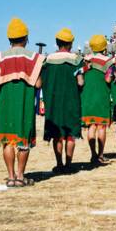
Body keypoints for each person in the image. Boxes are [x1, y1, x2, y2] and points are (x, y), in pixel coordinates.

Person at [0, 18, 44, 187]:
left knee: (7, 140)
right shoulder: (34, 58)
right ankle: (20, 176)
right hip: (24, 105)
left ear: (9, 38)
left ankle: (11, 177)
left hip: (6, 106)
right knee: (23, 141)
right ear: (26, 38)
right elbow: (39, 83)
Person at [41, 28, 83, 173]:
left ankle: (59, 164)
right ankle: (69, 164)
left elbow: (41, 82)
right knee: (70, 133)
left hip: (53, 102)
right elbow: (80, 82)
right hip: (71, 100)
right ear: (70, 43)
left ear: (57, 43)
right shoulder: (76, 60)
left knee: (57, 134)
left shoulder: (47, 60)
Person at [81, 34, 113, 164]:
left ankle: (93, 154)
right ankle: (100, 154)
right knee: (101, 127)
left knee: (91, 127)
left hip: (87, 96)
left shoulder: (85, 60)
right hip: (102, 96)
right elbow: (108, 79)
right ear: (104, 47)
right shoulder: (108, 61)